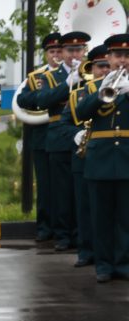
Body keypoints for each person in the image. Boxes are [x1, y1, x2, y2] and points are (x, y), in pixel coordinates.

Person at [18, 31, 91, 253]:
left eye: (79, 50)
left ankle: (81, 235)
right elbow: (41, 100)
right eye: (70, 50)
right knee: (60, 190)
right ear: (64, 53)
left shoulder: (93, 71)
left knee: (82, 189)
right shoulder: (51, 76)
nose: (74, 54)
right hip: (59, 136)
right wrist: (67, 83)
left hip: (85, 134)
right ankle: (62, 234)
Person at [74, 34, 129, 282]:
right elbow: (80, 113)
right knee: (102, 216)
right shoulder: (92, 87)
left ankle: (124, 264)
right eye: (118, 56)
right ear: (108, 58)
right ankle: (104, 266)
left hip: (126, 158)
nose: (123, 61)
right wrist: (100, 93)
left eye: (127, 57)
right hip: (100, 159)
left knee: (125, 218)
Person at [26, 33, 65, 244]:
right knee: (44, 186)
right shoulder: (36, 77)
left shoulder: (73, 74)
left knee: (62, 187)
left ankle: (62, 228)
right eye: (52, 52)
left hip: (63, 136)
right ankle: (44, 226)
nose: (56, 55)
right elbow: (23, 98)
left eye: (60, 51)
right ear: (46, 54)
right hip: (41, 137)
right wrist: (40, 100)